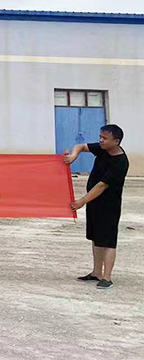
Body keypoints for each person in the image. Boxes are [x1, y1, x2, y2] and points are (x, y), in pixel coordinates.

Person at [64, 124, 129, 289]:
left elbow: (102, 186)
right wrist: (73, 156)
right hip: (95, 202)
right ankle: (96, 272)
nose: (101, 140)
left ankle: (107, 277)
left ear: (116, 141)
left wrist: (82, 201)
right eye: (100, 137)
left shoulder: (120, 162)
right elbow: (80, 146)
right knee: (96, 237)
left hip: (109, 205)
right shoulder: (102, 149)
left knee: (108, 241)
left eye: (104, 138)